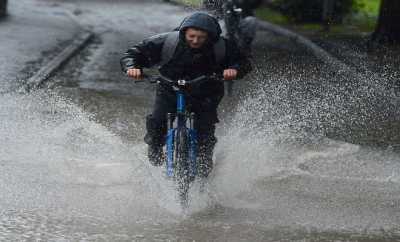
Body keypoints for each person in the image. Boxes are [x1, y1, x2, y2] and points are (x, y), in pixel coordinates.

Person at [120, 12, 248, 178]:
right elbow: (132, 54)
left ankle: (203, 162)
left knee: (205, 130)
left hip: (206, 91)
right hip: (169, 88)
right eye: (191, 36)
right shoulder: (167, 41)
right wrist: (132, 68)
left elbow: (244, 62)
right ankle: (155, 146)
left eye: (201, 38)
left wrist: (235, 70)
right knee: (158, 121)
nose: (195, 41)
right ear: (184, 33)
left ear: (210, 37)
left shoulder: (223, 46)